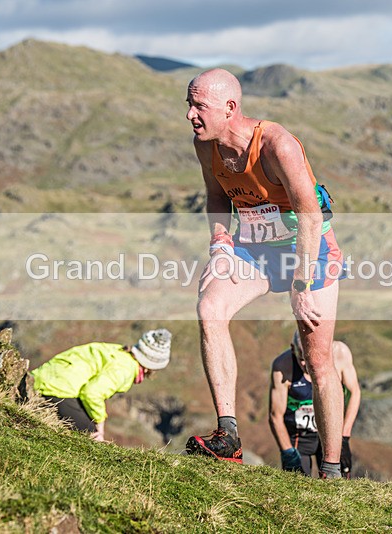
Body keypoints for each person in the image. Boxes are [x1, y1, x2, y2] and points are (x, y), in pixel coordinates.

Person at [184, 68, 347, 478]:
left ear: (230, 108)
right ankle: (228, 437)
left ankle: (329, 469)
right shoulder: (206, 146)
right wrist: (220, 245)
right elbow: (216, 196)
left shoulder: (278, 145)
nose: (190, 114)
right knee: (210, 308)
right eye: (189, 104)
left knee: (318, 360)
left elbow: (310, 219)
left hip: (307, 250)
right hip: (255, 249)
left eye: (199, 106)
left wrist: (301, 284)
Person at [30, 328, 172, 442]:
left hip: (47, 378)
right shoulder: (126, 369)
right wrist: (100, 425)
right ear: (150, 366)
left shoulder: (118, 352)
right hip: (58, 389)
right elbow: (91, 393)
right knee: (91, 437)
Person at [269, 331, 361, 478]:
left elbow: (354, 392)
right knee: (297, 486)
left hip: (330, 432)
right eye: (302, 358)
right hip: (299, 437)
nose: (307, 364)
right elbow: (275, 415)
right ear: (293, 349)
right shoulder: (283, 366)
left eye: (311, 357)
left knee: (339, 483)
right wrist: (288, 452)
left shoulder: (340, 354)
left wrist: (344, 437)